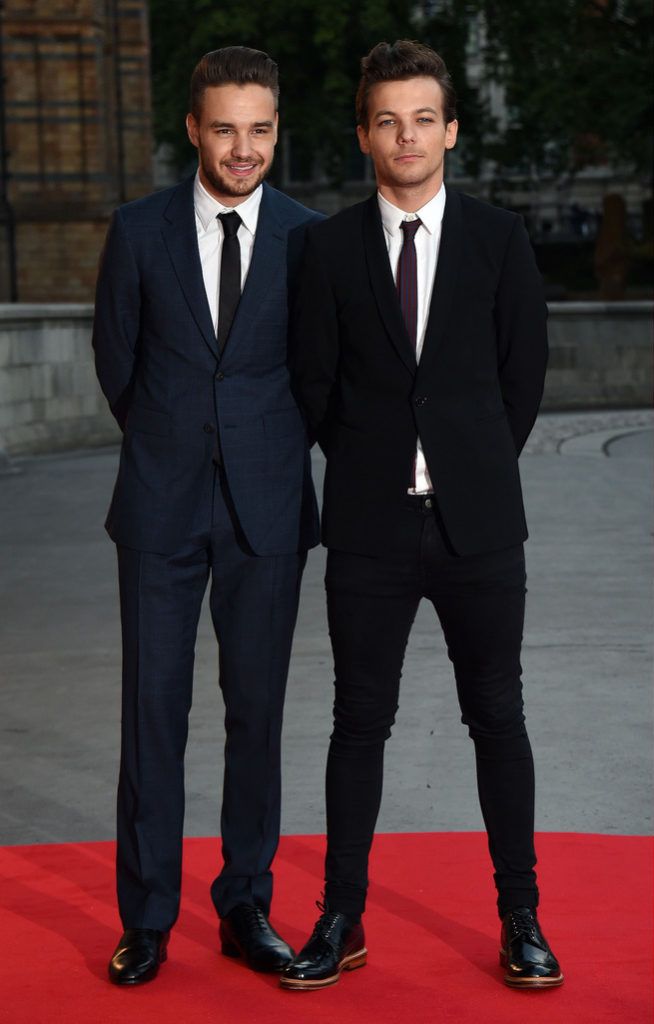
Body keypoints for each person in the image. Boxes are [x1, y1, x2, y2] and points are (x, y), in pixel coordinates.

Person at [281, 40, 563, 992]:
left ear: (451, 129)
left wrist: (468, 465)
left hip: (478, 527)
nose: (407, 136)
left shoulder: (500, 240)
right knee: (359, 722)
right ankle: (341, 918)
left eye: (423, 118)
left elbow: (521, 379)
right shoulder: (323, 247)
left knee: (498, 716)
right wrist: (373, 465)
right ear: (365, 134)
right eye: (387, 120)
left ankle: (521, 917)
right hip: (369, 529)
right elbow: (313, 384)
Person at [92, 45, 320, 985]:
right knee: (152, 711)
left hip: (268, 509)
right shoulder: (138, 231)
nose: (242, 148)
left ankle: (245, 905)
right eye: (224, 128)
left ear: (275, 131)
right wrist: (172, 441)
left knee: (256, 713)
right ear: (192, 128)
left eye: (259, 129)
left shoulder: (311, 239)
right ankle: (146, 916)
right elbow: (118, 361)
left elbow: (323, 370)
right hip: (159, 506)